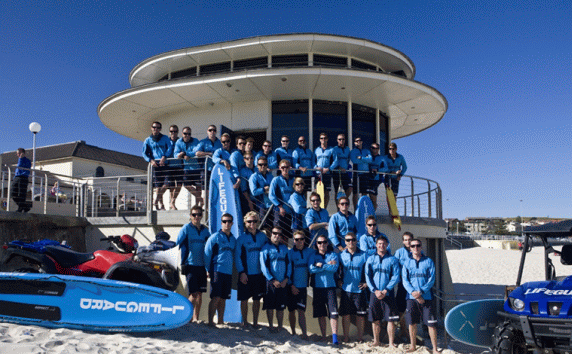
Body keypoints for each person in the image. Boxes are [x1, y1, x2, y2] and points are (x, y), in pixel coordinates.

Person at [402, 238, 440, 354]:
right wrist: (414, 293)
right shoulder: (407, 263)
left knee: (431, 324)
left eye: (418, 245)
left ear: (421, 247)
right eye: (413, 246)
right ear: (410, 248)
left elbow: (431, 279)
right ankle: (413, 346)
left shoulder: (428, 261)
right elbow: (405, 280)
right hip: (411, 298)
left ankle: (434, 348)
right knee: (412, 323)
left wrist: (421, 292)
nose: (415, 248)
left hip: (426, 298)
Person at [365, 235, 401, 348]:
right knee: (375, 319)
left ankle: (391, 343)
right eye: (379, 243)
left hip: (388, 293)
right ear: (376, 245)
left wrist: (386, 290)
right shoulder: (370, 259)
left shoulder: (393, 259)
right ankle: (376, 341)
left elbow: (396, 276)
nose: (382, 245)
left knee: (390, 319)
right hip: (374, 293)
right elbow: (368, 276)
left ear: (387, 245)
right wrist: (375, 290)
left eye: (384, 244)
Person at [177, 205, 210, 322]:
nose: (196, 217)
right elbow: (177, 243)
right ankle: (187, 317)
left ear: (202, 216)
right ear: (190, 216)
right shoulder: (186, 228)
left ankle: (196, 317)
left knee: (200, 293)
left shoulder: (205, 230)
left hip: (202, 265)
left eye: (199, 214)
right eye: (194, 215)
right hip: (190, 265)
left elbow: (210, 246)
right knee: (193, 293)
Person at [235, 211, 268, 328]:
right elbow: (237, 257)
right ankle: (244, 321)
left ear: (258, 222)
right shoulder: (241, 239)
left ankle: (255, 322)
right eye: (249, 221)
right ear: (245, 223)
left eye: (254, 221)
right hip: (246, 274)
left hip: (259, 274)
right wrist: (242, 272)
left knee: (257, 299)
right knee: (244, 299)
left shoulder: (263, 237)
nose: (252, 224)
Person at [204, 213, 237, 327]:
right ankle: (210, 321)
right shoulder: (215, 237)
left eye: (229, 221)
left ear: (232, 223)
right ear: (221, 222)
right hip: (217, 270)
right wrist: (208, 269)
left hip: (228, 272)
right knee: (216, 297)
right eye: (224, 221)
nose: (227, 223)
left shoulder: (233, 239)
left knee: (223, 298)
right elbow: (207, 254)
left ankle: (220, 321)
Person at [308, 235, 340, 344]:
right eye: (319, 242)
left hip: (330, 287)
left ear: (327, 243)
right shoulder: (313, 255)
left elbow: (334, 268)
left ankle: (334, 337)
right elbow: (311, 269)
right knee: (321, 313)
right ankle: (323, 336)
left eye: (324, 242)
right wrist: (327, 265)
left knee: (334, 313)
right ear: (316, 244)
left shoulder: (333, 255)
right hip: (318, 288)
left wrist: (320, 265)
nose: (322, 244)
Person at [338, 232, 368, 343]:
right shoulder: (341, 255)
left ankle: (360, 338)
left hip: (359, 290)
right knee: (346, 315)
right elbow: (338, 270)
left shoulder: (364, 255)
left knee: (360, 316)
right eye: (348, 240)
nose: (351, 242)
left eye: (353, 240)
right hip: (346, 290)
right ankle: (346, 337)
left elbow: (370, 270)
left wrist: (367, 283)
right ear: (345, 242)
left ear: (356, 241)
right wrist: (338, 280)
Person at [260, 227, 291, 333]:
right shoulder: (265, 248)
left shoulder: (285, 248)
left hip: (283, 282)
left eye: (279, 234)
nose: (277, 236)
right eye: (274, 233)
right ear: (271, 234)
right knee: (270, 306)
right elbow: (264, 266)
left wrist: (286, 279)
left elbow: (289, 264)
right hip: (271, 282)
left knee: (280, 307)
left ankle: (280, 326)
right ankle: (271, 326)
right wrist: (272, 280)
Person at [287, 230, 314, 339]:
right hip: (292, 286)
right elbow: (287, 271)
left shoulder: (310, 252)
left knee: (301, 311)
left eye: (301, 239)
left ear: (304, 240)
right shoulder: (290, 253)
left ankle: (304, 334)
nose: (299, 241)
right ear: (293, 241)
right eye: (297, 239)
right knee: (291, 311)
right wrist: (291, 285)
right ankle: (293, 332)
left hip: (303, 287)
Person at [142, 121, 173, 210]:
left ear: (160, 129)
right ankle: (161, 205)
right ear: (151, 128)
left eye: (158, 128)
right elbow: (144, 153)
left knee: (166, 184)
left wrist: (164, 156)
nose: (156, 129)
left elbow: (170, 148)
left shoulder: (165, 138)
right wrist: (151, 161)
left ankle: (155, 201)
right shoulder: (148, 140)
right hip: (155, 165)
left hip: (165, 164)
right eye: (154, 127)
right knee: (158, 186)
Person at [174, 126, 203, 207]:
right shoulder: (179, 142)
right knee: (186, 185)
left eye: (189, 134)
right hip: (187, 168)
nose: (187, 135)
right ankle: (201, 199)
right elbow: (175, 154)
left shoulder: (196, 141)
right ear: (182, 134)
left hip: (196, 167)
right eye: (185, 133)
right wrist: (181, 155)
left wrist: (186, 154)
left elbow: (196, 152)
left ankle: (198, 205)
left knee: (198, 187)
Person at [394, 231, 414, 339]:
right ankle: (403, 329)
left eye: (409, 239)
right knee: (401, 308)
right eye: (405, 240)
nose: (407, 242)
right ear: (403, 241)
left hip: (413, 284)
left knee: (411, 308)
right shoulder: (399, 252)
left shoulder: (417, 251)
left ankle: (410, 331)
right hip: (402, 284)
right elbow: (394, 267)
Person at [269, 159, 294, 238]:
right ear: (279, 168)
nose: (285, 169)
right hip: (280, 211)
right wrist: (280, 207)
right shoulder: (276, 180)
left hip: (290, 212)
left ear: (290, 168)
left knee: (287, 236)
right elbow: (271, 196)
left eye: (286, 167)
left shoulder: (293, 180)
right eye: (283, 167)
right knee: (279, 234)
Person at [314, 132, 337, 209]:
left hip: (327, 173)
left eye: (325, 138)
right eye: (321, 138)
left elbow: (336, 161)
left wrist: (329, 169)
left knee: (326, 193)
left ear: (327, 139)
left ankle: (324, 209)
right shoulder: (317, 150)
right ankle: (317, 208)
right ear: (319, 140)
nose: (323, 140)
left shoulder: (331, 149)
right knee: (317, 192)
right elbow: (313, 161)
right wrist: (316, 167)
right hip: (318, 174)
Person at [364, 143, 389, 207]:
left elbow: (386, 168)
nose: (375, 150)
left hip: (376, 179)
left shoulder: (382, 158)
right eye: (373, 148)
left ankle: (373, 214)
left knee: (373, 197)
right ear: (371, 149)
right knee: (364, 196)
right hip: (367, 178)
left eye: (376, 148)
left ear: (378, 149)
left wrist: (377, 170)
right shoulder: (368, 157)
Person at [349, 136, 370, 209]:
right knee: (355, 193)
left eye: (359, 140)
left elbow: (370, 160)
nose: (358, 142)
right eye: (356, 141)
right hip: (357, 174)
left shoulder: (366, 151)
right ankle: (356, 210)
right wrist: (365, 159)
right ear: (354, 143)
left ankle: (364, 209)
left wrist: (361, 158)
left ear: (362, 142)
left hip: (365, 174)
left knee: (364, 193)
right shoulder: (353, 151)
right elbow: (354, 161)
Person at [331, 134, 353, 202]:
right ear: (337, 140)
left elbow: (349, 159)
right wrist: (339, 167)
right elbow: (333, 160)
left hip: (345, 173)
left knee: (350, 188)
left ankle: (342, 201)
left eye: (343, 139)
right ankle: (339, 207)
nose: (341, 141)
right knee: (337, 191)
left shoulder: (347, 149)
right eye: (340, 139)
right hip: (337, 173)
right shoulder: (334, 149)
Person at [167, 124, 182, 210]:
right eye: (172, 131)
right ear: (169, 132)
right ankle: (172, 204)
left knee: (179, 184)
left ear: (177, 132)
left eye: (175, 131)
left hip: (179, 165)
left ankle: (172, 201)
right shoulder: (167, 141)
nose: (173, 133)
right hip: (169, 166)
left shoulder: (180, 141)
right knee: (171, 186)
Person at [12, 148, 31, 212]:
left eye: (19, 153)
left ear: (23, 153)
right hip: (17, 177)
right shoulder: (19, 160)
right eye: (17, 153)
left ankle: (20, 209)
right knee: (13, 193)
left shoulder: (27, 161)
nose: (17, 154)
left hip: (23, 178)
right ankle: (25, 207)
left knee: (21, 194)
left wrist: (21, 159)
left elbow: (20, 166)